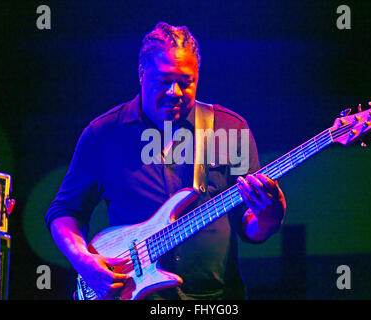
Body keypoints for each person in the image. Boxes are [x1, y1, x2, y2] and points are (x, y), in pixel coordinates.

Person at [45, 22, 286, 300]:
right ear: (141, 74)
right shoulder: (104, 133)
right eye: (163, 81)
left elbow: (251, 229)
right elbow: (64, 211)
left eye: (186, 82)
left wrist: (271, 213)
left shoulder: (230, 129)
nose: (175, 91)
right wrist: (83, 261)